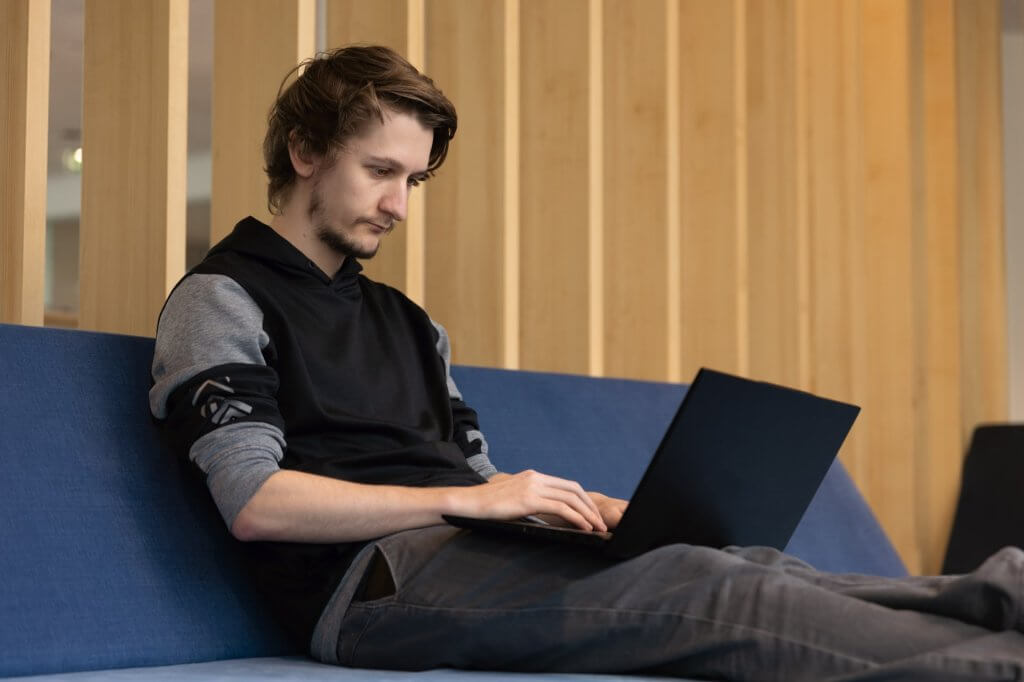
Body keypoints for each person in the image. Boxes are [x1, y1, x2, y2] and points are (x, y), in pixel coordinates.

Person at [150, 45, 1024, 680]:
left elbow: (471, 471)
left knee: (742, 563)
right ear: (305, 154)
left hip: (461, 551)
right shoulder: (222, 298)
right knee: (709, 595)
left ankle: (1001, 603)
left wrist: (565, 509)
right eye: (380, 171)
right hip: (367, 593)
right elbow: (256, 504)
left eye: (412, 182)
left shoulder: (409, 323)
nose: (398, 207)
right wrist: (473, 498)